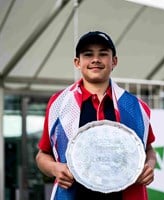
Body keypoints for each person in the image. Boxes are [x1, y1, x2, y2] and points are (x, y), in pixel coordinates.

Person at [36, 31, 156, 200]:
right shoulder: (59, 103)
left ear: (114, 61)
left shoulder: (135, 107)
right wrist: (55, 169)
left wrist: (149, 166)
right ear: (77, 62)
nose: (95, 59)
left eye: (103, 54)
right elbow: (42, 155)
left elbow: (149, 150)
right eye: (88, 54)